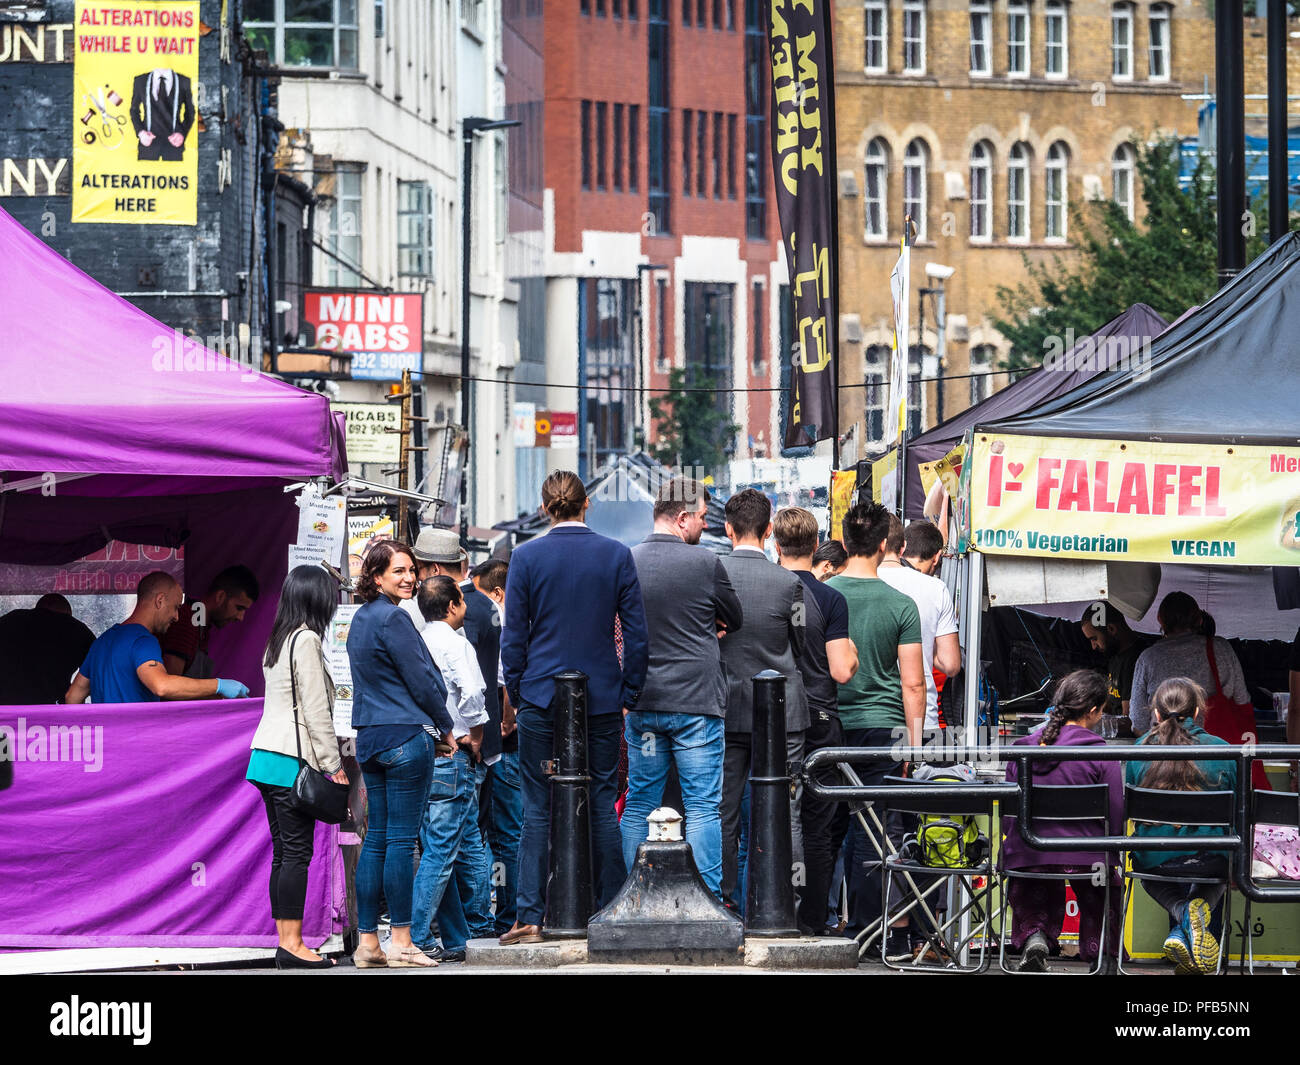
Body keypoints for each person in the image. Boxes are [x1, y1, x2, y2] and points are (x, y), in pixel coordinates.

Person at [499, 470, 649, 945]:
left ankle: (530, 914)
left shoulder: (524, 557)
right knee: (603, 802)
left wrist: (522, 694)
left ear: (545, 509)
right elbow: (638, 635)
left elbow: (513, 638)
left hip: (542, 695)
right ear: (587, 505)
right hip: (602, 695)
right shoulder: (616, 555)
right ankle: (608, 909)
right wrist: (628, 692)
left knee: (537, 807)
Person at [626, 476, 743, 899]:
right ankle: (707, 898)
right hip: (696, 702)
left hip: (643, 700)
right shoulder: (706, 564)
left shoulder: (628, 561)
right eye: (699, 518)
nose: (703, 527)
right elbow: (736, 617)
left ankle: (633, 893)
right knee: (702, 807)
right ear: (681, 517)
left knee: (639, 803)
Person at [345, 541, 454, 968]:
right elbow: (423, 680)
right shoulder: (394, 617)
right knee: (402, 842)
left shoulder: (361, 619)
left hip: (370, 738)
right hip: (405, 738)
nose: (410, 577)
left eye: (411, 570)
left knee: (377, 840)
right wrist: (445, 726)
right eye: (398, 571)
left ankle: (369, 943)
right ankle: (403, 942)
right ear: (376, 577)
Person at [826, 503, 925, 959]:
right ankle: (871, 929)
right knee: (876, 827)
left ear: (845, 543)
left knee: (827, 823)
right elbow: (913, 682)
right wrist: (916, 743)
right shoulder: (902, 605)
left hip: (831, 725)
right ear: (885, 545)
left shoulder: (824, 595)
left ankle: (821, 920)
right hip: (885, 728)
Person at [246, 565, 346, 969]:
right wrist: (333, 764)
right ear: (315, 598)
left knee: (284, 853)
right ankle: (292, 944)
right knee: (296, 854)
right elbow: (315, 710)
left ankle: (287, 940)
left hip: (266, 757)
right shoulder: (305, 640)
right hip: (290, 759)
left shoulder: (278, 639)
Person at [718, 488, 808, 909]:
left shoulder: (712, 572)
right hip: (782, 711)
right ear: (769, 530)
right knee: (782, 807)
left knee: (722, 808)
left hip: (725, 706)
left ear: (727, 528)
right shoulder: (789, 583)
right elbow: (802, 644)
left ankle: (722, 896)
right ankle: (783, 899)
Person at [1000, 670, 1123, 973]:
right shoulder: (1099, 752)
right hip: (1087, 857)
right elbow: (1115, 811)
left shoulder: (1023, 749)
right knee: (1103, 889)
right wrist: (1113, 851)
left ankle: (1035, 934)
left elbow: (1008, 815)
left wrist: (1016, 843)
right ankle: (1102, 952)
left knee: (1031, 875)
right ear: (1093, 710)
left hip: (1029, 853)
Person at [772, 507, 858, 935]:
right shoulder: (829, 598)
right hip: (821, 718)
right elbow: (843, 670)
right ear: (815, 544)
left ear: (774, 541)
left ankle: (770, 910)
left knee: (772, 817)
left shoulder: (764, 588)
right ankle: (813, 920)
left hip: (772, 718)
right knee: (819, 825)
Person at [1124, 677, 1237, 974]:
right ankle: (1193, 915)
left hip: (1154, 860)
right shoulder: (1224, 750)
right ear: (1198, 712)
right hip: (1213, 857)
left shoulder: (1139, 750)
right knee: (1222, 870)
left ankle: (1181, 918)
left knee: (1143, 867)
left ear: (1157, 714)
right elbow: (1240, 813)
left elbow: (1129, 810)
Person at [410, 576, 491, 963]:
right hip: (453, 750)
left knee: (448, 844)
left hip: (423, 752)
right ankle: (418, 936)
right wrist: (475, 736)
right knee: (442, 851)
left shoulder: (416, 641)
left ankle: (463, 935)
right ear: (453, 604)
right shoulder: (457, 644)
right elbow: (473, 694)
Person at [64, 571, 249, 703]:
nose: (177, 617)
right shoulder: (144, 641)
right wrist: (218, 685)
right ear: (160, 601)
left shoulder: (102, 642)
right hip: (136, 747)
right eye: (176, 607)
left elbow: (72, 697)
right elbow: (161, 685)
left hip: (106, 750)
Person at [471, 557, 522, 935]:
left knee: (504, 833)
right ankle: (505, 914)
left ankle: (506, 917)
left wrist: (504, 723)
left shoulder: (501, 622)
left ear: (497, 592)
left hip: (505, 746)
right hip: (511, 745)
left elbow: (504, 682)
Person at [877, 520, 960, 732]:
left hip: (872, 716)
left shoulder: (862, 581)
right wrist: (926, 643)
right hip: (923, 717)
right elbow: (950, 665)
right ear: (937, 556)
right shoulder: (936, 588)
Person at [1129, 592, 1249, 736]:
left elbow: (1139, 722)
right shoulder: (1221, 649)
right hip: (1216, 749)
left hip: (1163, 750)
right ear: (1199, 620)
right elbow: (1242, 700)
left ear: (1160, 620)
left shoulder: (1147, 658)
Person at [162, 565, 260, 679]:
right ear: (220, 596)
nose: (240, 617)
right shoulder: (187, 619)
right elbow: (171, 686)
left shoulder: (202, 624)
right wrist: (216, 688)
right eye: (239, 608)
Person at [0, 594, 95, 704]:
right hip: (49, 712)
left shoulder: (8, 621)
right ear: (67, 614)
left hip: (4, 710)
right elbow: (99, 671)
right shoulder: (76, 629)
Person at [1080, 600, 1146, 724]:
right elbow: (1112, 704)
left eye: (1094, 639)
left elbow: (1127, 720)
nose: (1093, 646)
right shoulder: (1114, 655)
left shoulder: (1136, 659)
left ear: (1111, 629)